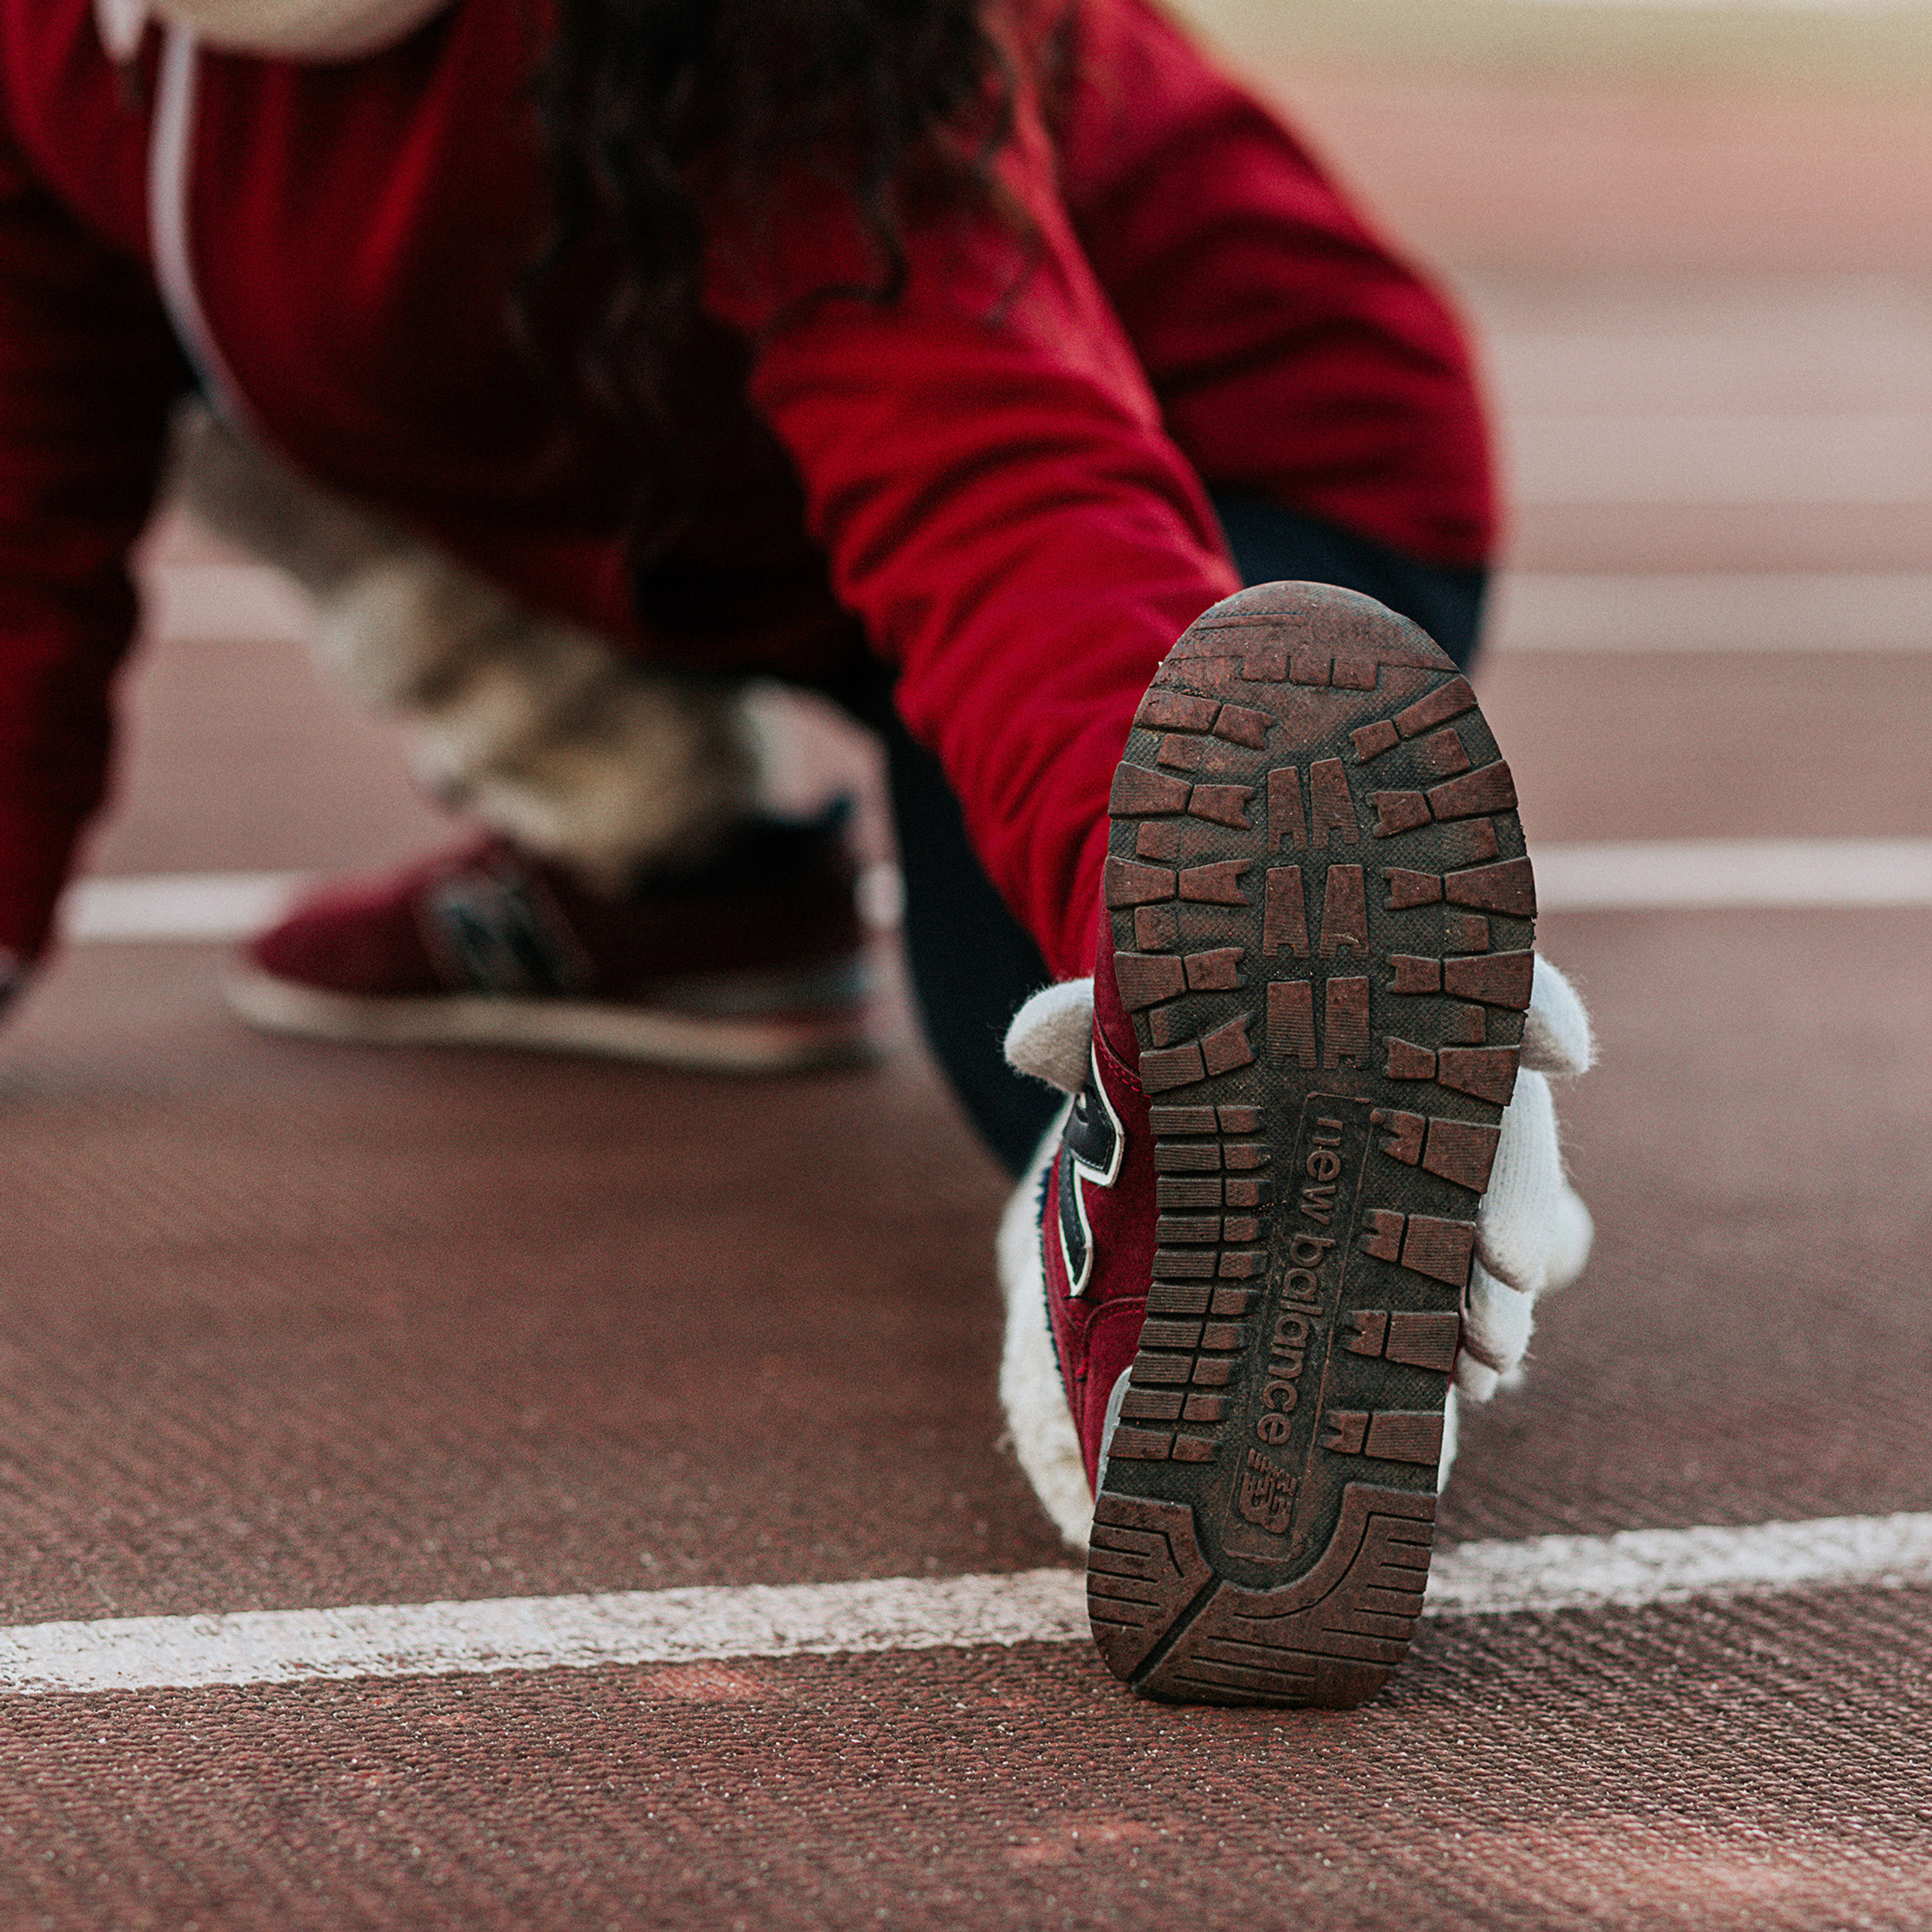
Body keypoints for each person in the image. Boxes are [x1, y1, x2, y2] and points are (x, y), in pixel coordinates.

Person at [0, 0, 1592, 1702]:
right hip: (714, 479)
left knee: (1078, 1042)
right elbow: (29, 457)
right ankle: (686, 883)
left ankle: (1251, 1150)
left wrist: (1178, 933)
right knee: (236, 355)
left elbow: (1000, 483)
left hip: (1239, 489)